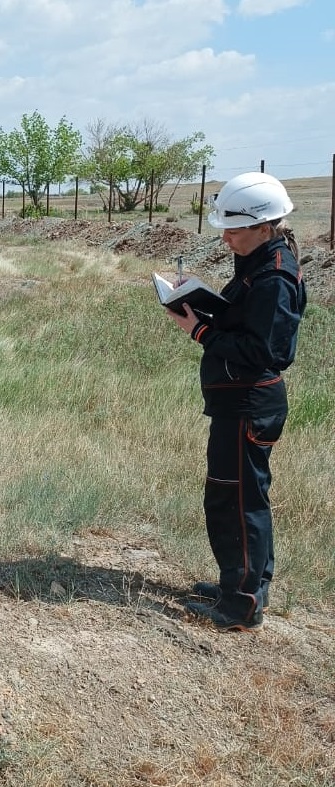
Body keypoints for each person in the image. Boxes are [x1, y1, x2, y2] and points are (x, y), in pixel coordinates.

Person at [166, 172, 306, 632]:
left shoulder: (274, 277)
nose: (225, 237)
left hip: (249, 405)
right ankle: (242, 586)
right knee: (241, 498)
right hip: (240, 404)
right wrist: (201, 304)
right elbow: (246, 323)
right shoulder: (261, 262)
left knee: (236, 502)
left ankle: (240, 606)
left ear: (265, 227)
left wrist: (200, 330)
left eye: (235, 228)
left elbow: (269, 352)